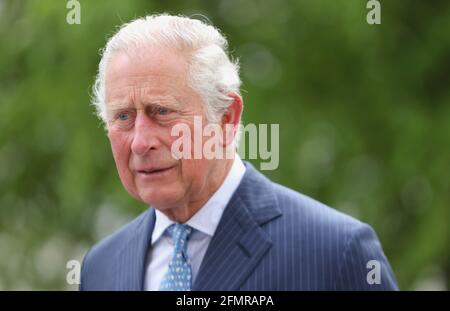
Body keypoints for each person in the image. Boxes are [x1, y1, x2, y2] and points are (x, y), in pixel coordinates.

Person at [80, 14, 398, 291]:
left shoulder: (334, 253)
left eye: (162, 112)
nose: (139, 142)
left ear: (227, 117)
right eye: (123, 116)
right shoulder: (101, 267)